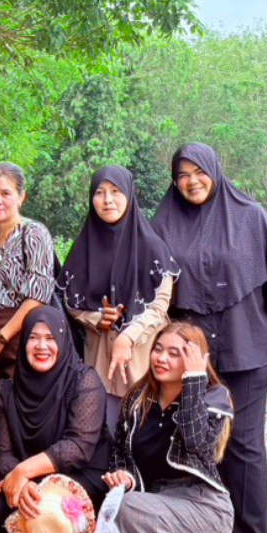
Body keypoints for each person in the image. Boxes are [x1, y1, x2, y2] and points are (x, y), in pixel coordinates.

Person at [152, 142, 267, 533]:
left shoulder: (251, 218)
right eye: (182, 174)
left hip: (248, 351)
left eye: (199, 172)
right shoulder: (164, 224)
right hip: (195, 360)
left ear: (216, 171)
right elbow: (153, 290)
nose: (192, 181)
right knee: (199, 448)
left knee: (243, 447)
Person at [98, 323, 235, 533]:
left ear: (195, 359)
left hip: (206, 511)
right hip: (158, 507)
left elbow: (196, 444)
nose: (161, 358)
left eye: (175, 353)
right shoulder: (138, 398)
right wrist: (124, 476)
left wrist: (194, 382)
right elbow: (120, 452)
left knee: (132, 509)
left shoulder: (213, 397)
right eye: (158, 349)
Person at [0, 307, 111, 533]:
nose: (42, 346)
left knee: (56, 507)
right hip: (35, 478)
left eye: (51, 338)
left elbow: (78, 447)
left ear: (64, 340)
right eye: (33, 338)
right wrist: (23, 482)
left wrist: (24, 471)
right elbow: (3, 454)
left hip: (84, 474)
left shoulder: (84, 380)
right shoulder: (7, 389)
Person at [60, 166, 179, 427]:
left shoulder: (151, 247)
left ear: (129, 195)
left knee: (143, 429)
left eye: (115, 191)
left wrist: (128, 336)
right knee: (101, 428)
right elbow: (70, 299)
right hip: (100, 362)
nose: (107, 200)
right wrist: (97, 318)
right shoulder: (83, 247)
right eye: (100, 192)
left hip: (142, 361)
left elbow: (160, 304)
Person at [0, 162, 58, 381]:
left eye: (5, 193)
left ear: (22, 197)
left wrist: (1, 338)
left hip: (25, 334)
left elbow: (38, 296)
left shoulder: (33, 233)